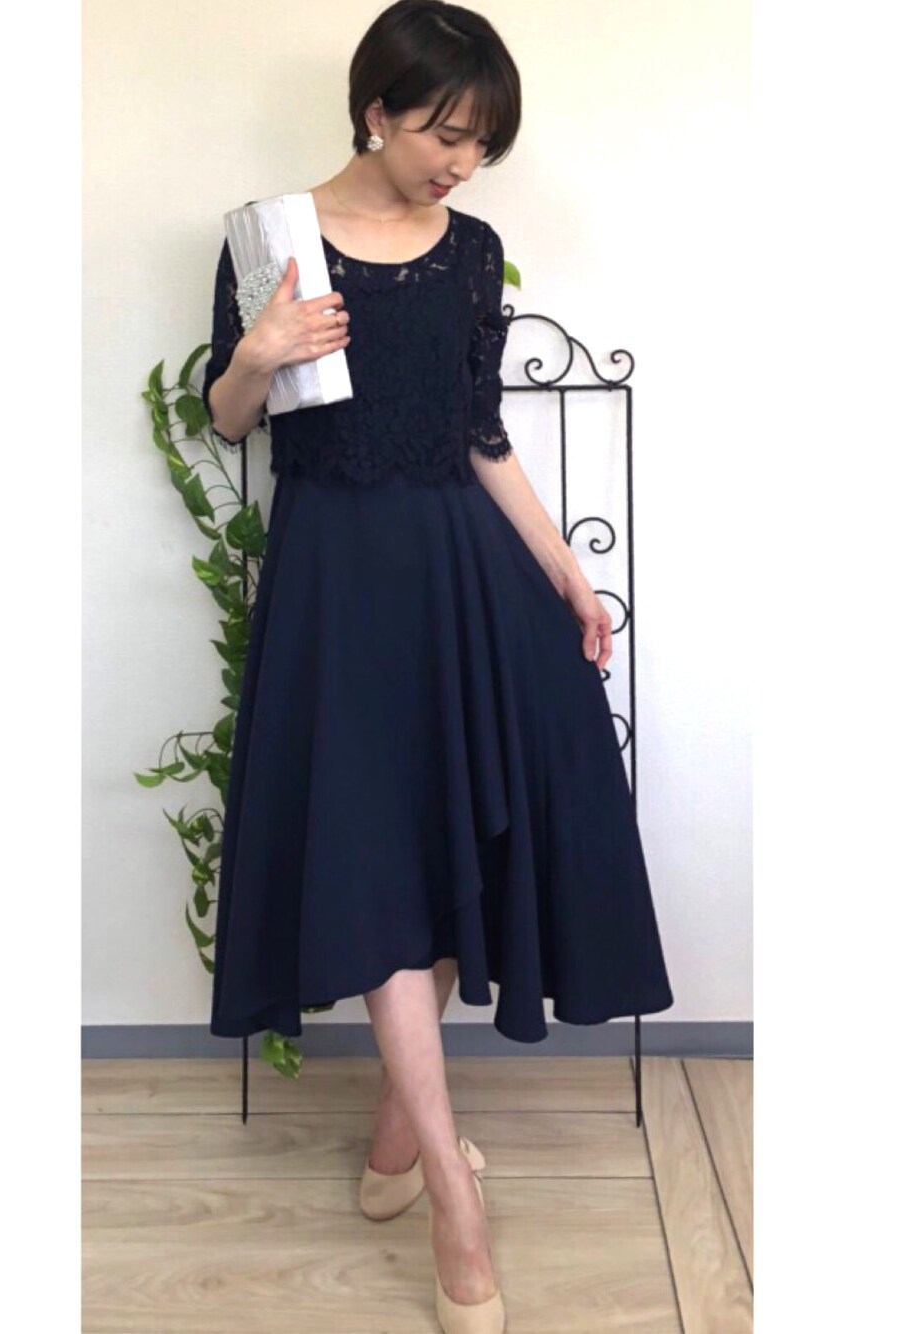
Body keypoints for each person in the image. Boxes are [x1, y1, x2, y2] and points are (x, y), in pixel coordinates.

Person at [202, 3, 674, 1329]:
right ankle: (454, 1199)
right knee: (375, 856)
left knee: (473, 825)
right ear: (377, 111)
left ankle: (402, 1137)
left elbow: (480, 432)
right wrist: (258, 354)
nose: (461, 164)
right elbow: (229, 416)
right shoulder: (273, 239)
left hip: (465, 570)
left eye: (481, 145)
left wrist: (564, 570)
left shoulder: (469, 252)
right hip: (338, 585)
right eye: (445, 135)